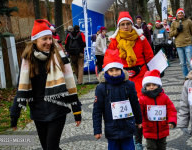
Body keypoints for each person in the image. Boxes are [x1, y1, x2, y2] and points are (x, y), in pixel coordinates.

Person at [10, 19, 82, 150]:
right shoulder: (27, 60)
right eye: (45, 39)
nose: (49, 42)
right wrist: (14, 115)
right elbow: (21, 87)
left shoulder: (59, 56)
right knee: (46, 147)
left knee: (51, 147)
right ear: (35, 41)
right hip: (38, 109)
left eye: (50, 38)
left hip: (58, 107)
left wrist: (76, 110)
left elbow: (70, 84)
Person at [108, 11, 154, 149]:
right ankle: (128, 138)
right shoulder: (114, 41)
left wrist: (154, 73)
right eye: (123, 24)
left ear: (132, 24)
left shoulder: (141, 38)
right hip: (122, 78)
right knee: (126, 108)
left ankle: (140, 139)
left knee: (139, 107)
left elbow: (149, 56)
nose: (126, 26)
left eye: (128, 23)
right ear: (119, 26)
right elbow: (109, 60)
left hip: (141, 76)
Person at [93, 49, 142, 150]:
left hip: (127, 126)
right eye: (111, 71)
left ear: (121, 70)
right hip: (112, 129)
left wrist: (138, 120)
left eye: (117, 70)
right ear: (106, 71)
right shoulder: (101, 88)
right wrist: (97, 129)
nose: (115, 73)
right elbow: (97, 110)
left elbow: (135, 104)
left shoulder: (129, 84)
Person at [139, 69, 177, 150]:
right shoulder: (142, 99)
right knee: (151, 147)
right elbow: (139, 112)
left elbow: (171, 109)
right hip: (149, 129)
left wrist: (172, 121)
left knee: (162, 147)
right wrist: (139, 121)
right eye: (148, 85)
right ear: (145, 87)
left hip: (163, 128)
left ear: (158, 85)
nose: (151, 87)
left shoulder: (164, 97)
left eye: (154, 84)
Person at [170, 8, 192, 79]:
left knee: (190, 61)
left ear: (184, 14)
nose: (180, 14)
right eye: (179, 13)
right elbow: (171, 34)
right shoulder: (174, 23)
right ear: (177, 14)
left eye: (181, 13)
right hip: (179, 45)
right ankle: (186, 76)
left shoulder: (188, 21)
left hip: (188, 44)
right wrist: (177, 30)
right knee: (183, 63)